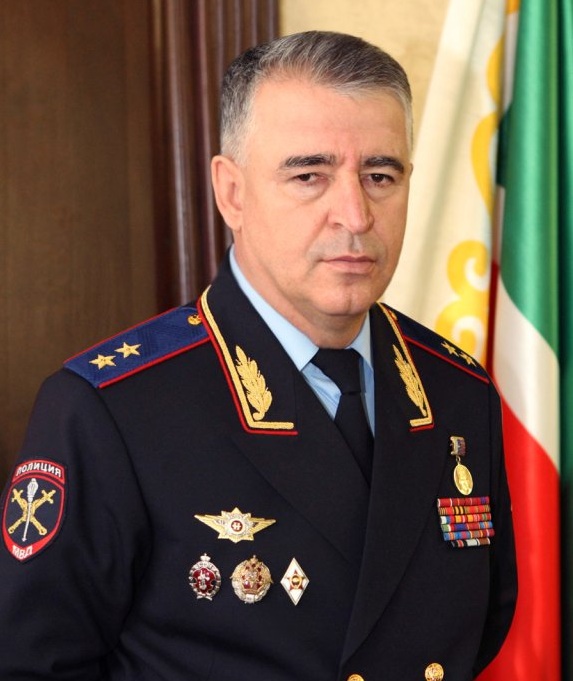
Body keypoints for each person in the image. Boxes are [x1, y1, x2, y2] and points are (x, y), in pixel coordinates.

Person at [0, 31, 516, 681]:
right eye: (309, 175)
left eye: (380, 175)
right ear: (232, 193)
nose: (355, 215)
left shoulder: (457, 390)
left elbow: (481, 627)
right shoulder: (112, 409)